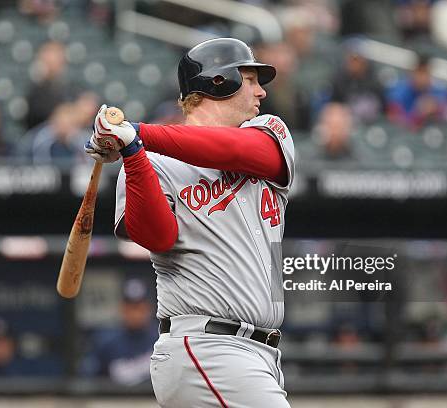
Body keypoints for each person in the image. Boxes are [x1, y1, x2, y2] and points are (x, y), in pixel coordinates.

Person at [85, 38, 294, 407]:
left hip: (261, 353)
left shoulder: (269, 131)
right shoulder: (153, 164)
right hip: (207, 346)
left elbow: (233, 150)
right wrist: (134, 155)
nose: (261, 92)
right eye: (250, 79)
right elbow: (157, 237)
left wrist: (138, 134)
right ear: (220, 81)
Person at [80, 278, 158, 385]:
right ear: (122, 309)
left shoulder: (160, 341)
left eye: (139, 308)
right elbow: (87, 378)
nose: (135, 314)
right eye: (130, 308)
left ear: (148, 308)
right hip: (117, 400)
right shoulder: (107, 342)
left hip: (151, 400)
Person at [386, 54, 447, 130]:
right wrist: (418, 113)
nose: (422, 77)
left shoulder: (440, 92)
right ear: (412, 72)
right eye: (420, 72)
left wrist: (436, 108)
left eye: (426, 72)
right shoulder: (398, 91)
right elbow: (395, 121)